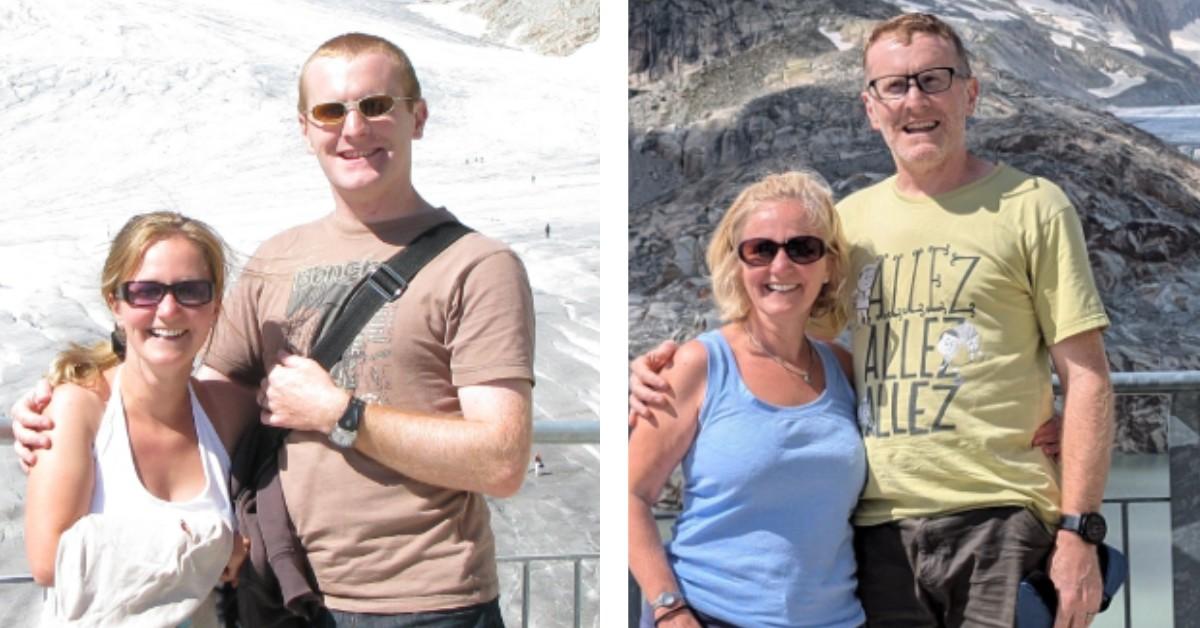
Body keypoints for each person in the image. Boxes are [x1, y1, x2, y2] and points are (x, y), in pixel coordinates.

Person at [16, 32, 535, 626]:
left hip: (426, 601)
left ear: (416, 117)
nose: (353, 128)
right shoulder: (275, 261)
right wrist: (67, 398)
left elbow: (501, 460)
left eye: (375, 105)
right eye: (331, 110)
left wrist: (342, 414)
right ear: (305, 128)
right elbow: (186, 387)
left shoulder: (477, 265)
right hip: (292, 597)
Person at [629, 12, 1113, 628]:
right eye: (894, 85)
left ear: (969, 92)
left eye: (933, 79)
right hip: (878, 535)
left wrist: (1080, 529)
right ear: (870, 106)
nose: (915, 100)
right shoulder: (847, 227)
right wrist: (655, 372)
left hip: (1002, 518)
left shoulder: (1034, 207)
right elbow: (788, 349)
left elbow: (1090, 377)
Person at [630, 171, 865, 627]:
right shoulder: (700, 365)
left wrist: (1046, 434)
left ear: (830, 265)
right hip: (712, 616)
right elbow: (631, 494)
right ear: (736, 263)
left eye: (803, 248)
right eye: (761, 250)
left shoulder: (844, 368)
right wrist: (669, 610)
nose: (780, 267)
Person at [24, 211, 248, 625]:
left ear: (215, 306)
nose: (168, 309)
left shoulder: (227, 411)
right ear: (116, 304)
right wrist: (214, 545)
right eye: (146, 292)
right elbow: (49, 558)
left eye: (192, 290)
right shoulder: (80, 407)